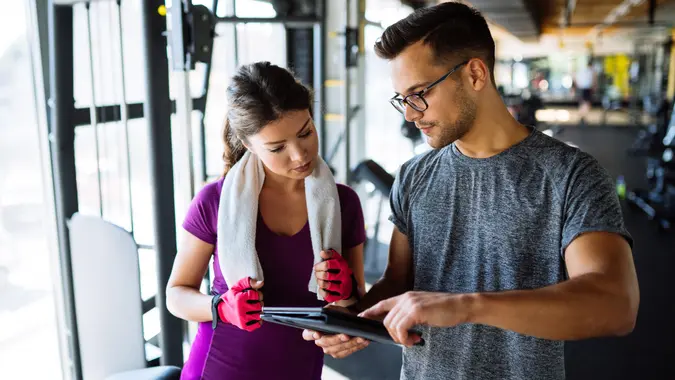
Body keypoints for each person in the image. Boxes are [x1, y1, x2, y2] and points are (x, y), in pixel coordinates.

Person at [303, 3, 639, 380]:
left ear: (476, 74)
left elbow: (616, 304)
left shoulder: (570, 175)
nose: (411, 115)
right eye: (402, 99)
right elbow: (398, 282)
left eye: (419, 93)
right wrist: (353, 320)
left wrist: (466, 306)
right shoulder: (414, 176)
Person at [166, 62, 367, 380]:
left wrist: (346, 293)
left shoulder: (344, 204)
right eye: (277, 148)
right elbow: (177, 294)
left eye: (306, 133)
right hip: (219, 368)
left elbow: (356, 310)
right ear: (248, 145)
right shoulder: (214, 201)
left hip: (299, 369)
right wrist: (220, 308)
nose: (299, 155)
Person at [575, 60, 597, 125]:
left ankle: (582, 116)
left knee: (583, 103)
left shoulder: (582, 71)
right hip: (587, 89)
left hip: (581, 88)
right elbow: (593, 80)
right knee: (586, 103)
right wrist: (594, 87)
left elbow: (576, 79)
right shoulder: (591, 71)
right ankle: (583, 116)